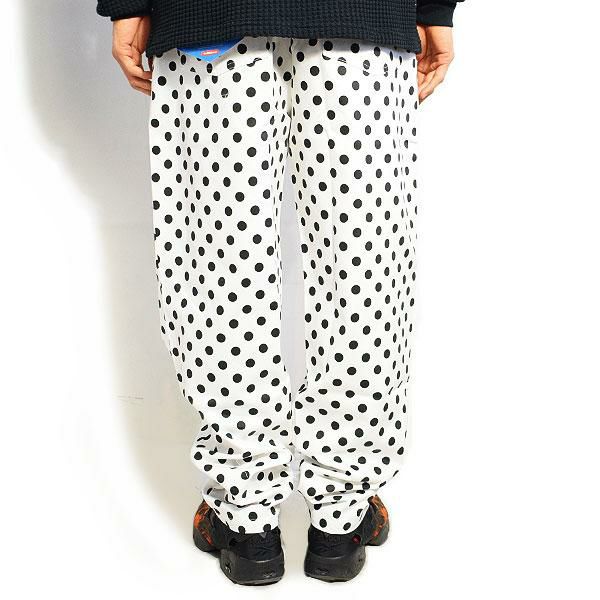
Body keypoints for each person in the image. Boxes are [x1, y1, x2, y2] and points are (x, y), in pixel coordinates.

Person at [96, 0, 463, 586]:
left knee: (221, 264)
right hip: (361, 17)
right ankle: (341, 516)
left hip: (210, 15)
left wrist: (128, 3)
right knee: (365, 262)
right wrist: (434, 6)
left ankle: (247, 519)